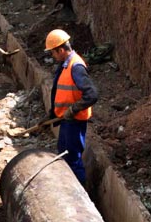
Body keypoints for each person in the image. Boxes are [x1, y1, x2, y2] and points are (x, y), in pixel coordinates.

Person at [46, 29, 99, 185]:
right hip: (66, 120)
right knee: (64, 155)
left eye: (53, 53)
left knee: (72, 160)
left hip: (74, 121)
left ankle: (81, 197)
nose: (52, 56)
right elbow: (61, 92)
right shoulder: (65, 65)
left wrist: (73, 109)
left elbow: (92, 95)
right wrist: (52, 114)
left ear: (61, 50)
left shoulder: (76, 67)